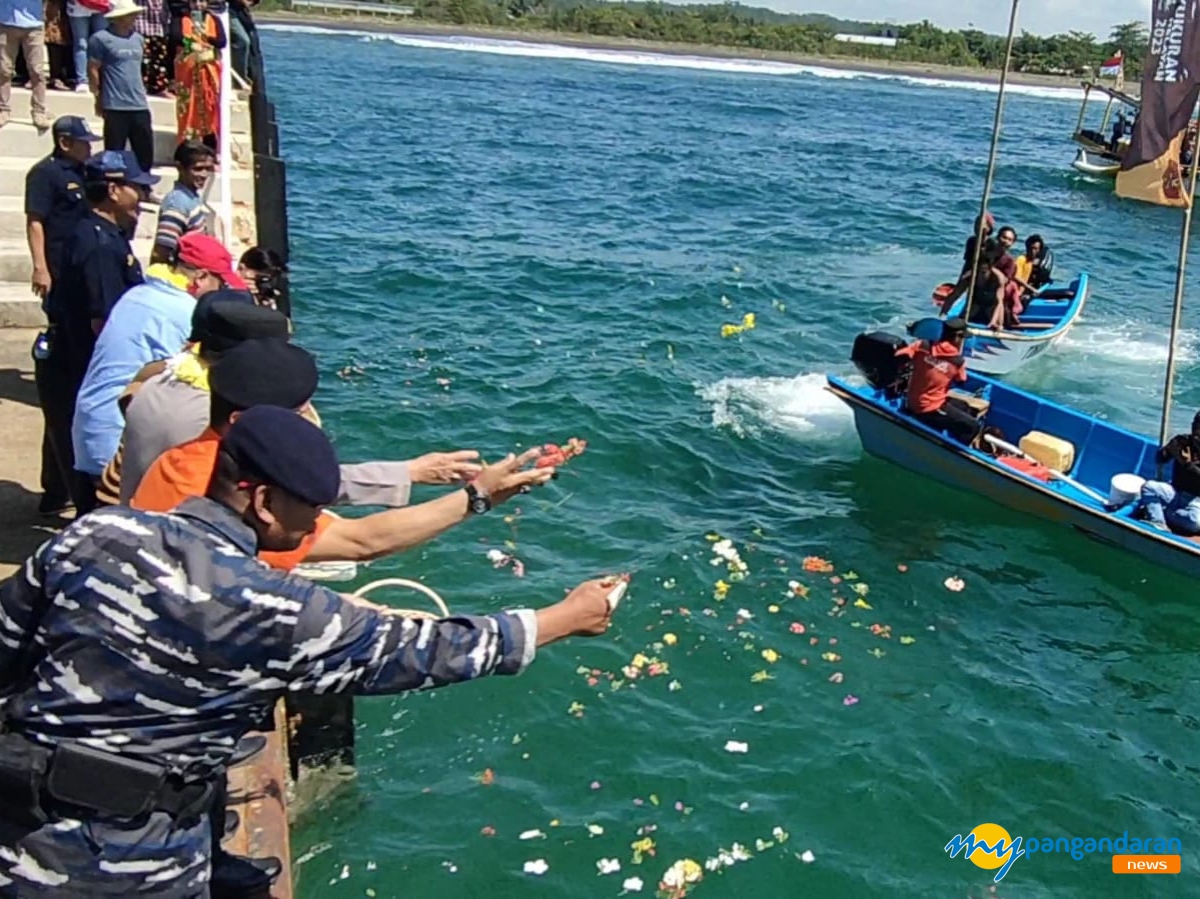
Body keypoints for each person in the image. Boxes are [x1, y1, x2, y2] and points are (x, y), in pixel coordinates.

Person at [0, 405, 619, 895]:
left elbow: (6, 640)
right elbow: (425, 650)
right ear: (264, 502)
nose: (319, 520)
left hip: (18, 817)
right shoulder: (281, 611)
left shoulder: (95, 533)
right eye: (312, 509)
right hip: (131, 859)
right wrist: (563, 618)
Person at [131, 338, 536, 571]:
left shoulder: (182, 461)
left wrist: (410, 472)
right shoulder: (222, 497)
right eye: (299, 412)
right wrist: (478, 497)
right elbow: (361, 541)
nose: (311, 417)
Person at [71, 232, 243, 483]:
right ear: (202, 277)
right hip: (118, 442)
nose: (221, 292)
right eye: (220, 283)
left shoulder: (136, 294)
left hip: (88, 429)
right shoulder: (186, 312)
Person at [42, 148, 154, 514]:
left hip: (71, 359)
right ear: (113, 189)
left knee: (66, 441)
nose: (142, 196)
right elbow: (103, 321)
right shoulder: (99, 245)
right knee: (92, 472)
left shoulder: (100, 232)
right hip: (82, 362)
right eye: (136, 187)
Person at [25, 116, 102, 513]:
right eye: (83, 141)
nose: (89, 147)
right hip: (59, 279)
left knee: (69, 395)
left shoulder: (87, 173)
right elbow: (36, 222)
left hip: (80, 276)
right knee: (64, 388)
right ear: (64, 141)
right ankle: (58, 487)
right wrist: (40, 266)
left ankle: (60, 486)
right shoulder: (46, 175)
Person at [89, 0, 155, 173]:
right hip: (114, 103)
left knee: (144, 149)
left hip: (139, 102)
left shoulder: (139, 39)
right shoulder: (100, 39)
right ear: (117, 18)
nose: (134, 17)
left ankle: (144, 186)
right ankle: (113, 187)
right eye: (129, 15)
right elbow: (93, 69)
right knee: (114, 151)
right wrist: (97, 96)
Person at [894, 317, 981, 445]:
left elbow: (899, 356)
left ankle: (941, 430)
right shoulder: (957, 361)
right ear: (957, 338)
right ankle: (957, 451)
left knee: (965, 407)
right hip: (929, 408)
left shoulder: (922, 345)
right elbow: (961, 380)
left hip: (912, 400)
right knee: (973, 426)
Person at [1133, 412, 1200, 535]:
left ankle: (1163, 511)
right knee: (1149, 487)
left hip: (1196, 500)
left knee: (1194, 523)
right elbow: (1160, 459)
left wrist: (1188, 464)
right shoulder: (1182, 441)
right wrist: (1167, 450)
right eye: (1197, 428)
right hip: (1175, 491)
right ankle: (1158, 523)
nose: (1197, 435)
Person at [151, 138, 215, 264]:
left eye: (208, 169)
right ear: (180, 168)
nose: (204, 174)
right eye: (198, 169)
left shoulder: (192, 198)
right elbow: (162, 252)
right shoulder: (177, 203)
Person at [172, 0, 225, 149]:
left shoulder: (214, 20)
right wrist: (190, 42)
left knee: (210, 107)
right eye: (194, 1)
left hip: (208, 72)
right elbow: (175, 37)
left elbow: (222, 41)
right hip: (187, 74)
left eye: (201, 1)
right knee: (188, 108)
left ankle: (210, 146)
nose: (198, 4)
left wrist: (206, 37)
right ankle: (186, 146)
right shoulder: (181, 19)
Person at [0, 0, 49, 129]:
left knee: (37, 71)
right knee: (4, 70)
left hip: (34, 25)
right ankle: (3, 109)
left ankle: (39, 111)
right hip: (5, 22)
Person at [66, 0, 105, 93]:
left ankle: (103, 80)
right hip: (78, 7)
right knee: (81, 44)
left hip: (103, 5)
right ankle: (82, 80)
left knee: (102, 43)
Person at [134, 0, 170, 95]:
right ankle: (140, 88)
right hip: (141, 23)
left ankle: (159, 88)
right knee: (142, 60)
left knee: (159, 60)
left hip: (159, 24)